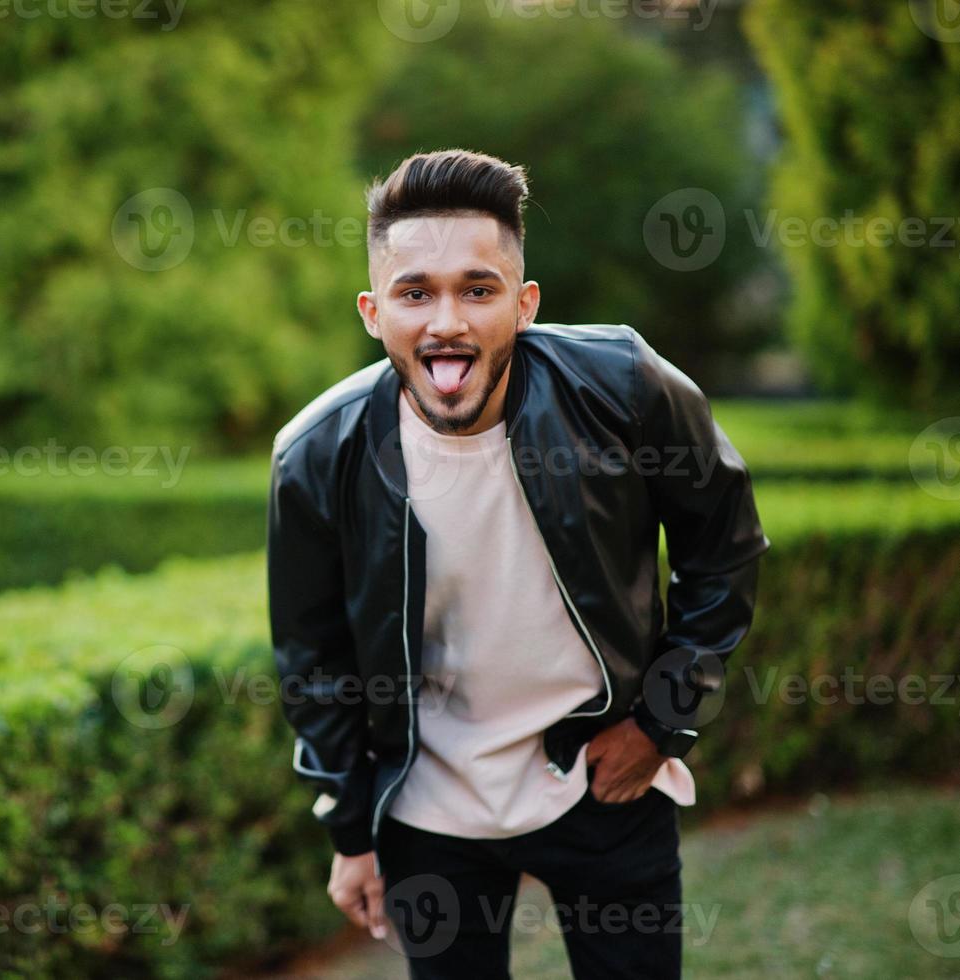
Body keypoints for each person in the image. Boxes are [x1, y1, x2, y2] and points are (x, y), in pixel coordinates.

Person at [265, 148, 771, 978]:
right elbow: (312, 662)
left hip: (602, 780)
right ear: (370, 311)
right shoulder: (317, 455)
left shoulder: (626, 388)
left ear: (524, 302)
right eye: (414, 292)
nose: (446, 323)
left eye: (477, 288)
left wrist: (658, 725)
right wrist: (350, 834)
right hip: (425, 810)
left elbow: (725, 550)